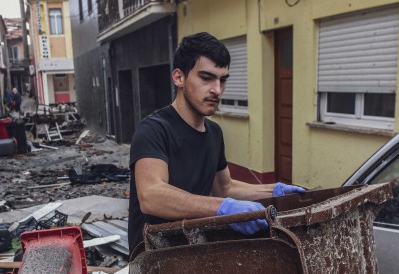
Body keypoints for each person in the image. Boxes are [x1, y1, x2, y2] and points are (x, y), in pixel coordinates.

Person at [128, 32, 304, 256]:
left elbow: (224, 187)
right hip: (153, 262)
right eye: (206, 78)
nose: (217, 90)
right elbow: (151, 196)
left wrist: (275, 191)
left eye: (222, 80)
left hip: (196, 251)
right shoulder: (153, 130)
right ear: (179, 78)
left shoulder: (214, 133)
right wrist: (222, 208)